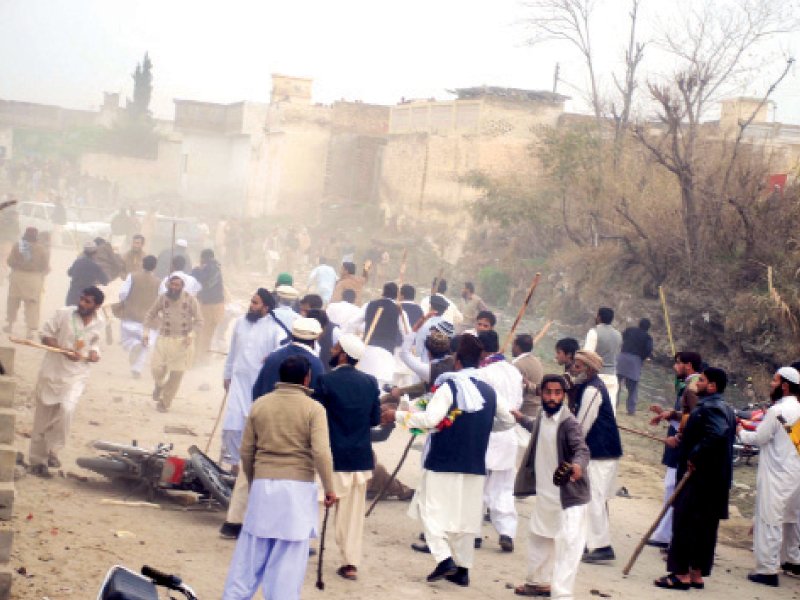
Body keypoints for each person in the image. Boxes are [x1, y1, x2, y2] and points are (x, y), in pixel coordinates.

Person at [382, 334, 516, 587]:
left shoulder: (449, 387)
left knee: (428, 509)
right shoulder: (488, 391)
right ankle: (463, 569)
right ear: (479, 361)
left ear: (456, 360)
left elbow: (430, 420)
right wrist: (482, 428)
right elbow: (508, 421)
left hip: (443, 461)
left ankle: (444, 559)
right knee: (465, 519)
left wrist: (398, 416)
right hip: (474, 464)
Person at [221, 356, 337, 600]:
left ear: (279, 376)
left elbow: (247, 451)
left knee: (249, 557)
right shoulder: (314, 409)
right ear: (306, 379)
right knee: (287, 563)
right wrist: (329, 488)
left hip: (263, 484)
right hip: (297, 489)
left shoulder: (260, 405)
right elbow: (321, 452)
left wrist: (255, 482)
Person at [221, 317, 325, 539]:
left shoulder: (274, 357)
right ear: (316, 339)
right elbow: (317, 399)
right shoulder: (315, 365)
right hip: (296, 428)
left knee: (249, 466)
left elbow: (257, 389)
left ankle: (233, 522)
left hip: (264, 417)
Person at [655, 367, 735, 590]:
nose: (696, 383)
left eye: (701, 380)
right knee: (705, 528)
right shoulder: (725, 408)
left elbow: (717, 433)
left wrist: (694, 455)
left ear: (712, 386)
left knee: (685, 524)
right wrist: (682, 438)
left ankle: (680, 575)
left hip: (700, 479)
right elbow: (710, 434)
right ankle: (696, 573)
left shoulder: (711, 407)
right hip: (715, 480)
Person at [512, 374, 591, 598]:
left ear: (564, 395)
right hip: (547, 494)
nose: (553, 397)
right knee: (539, 536)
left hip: (569, 498)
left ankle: (562, 595)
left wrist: (577, 466)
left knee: (568, 547)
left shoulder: (569, 423)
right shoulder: (542, 416)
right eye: (548, 392)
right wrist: (519, 418)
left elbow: (582, 449)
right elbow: (536, 426)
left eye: (557, 393)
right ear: (541, 394)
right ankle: (538, 583)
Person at [318, 334, 380, 581]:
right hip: (359, 459)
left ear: (343, 354)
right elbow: (374, 420)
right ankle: (350, 563)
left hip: (331, 456)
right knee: (353, 518)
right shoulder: (370, 382)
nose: (332, 351)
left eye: (335, 348)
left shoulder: (325, 380)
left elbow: (317, 418)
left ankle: (301, 550)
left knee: (317, 507)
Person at [28, 287, 105, 477]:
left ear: (96, 306)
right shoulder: (64, 314)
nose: (82, 304)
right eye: (82, 299)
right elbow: (45, 334)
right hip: (52, 372)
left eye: (88, 302)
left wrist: (94, 353)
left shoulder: (100, 322)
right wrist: (63, 350)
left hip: (77, 375)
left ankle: (53, 449)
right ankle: (38, 462)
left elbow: (95, 342)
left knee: (67, 409)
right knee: (42, 419)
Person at [738, 366, 800, 586]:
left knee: (769, 521)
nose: (771, 384)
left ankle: (766, 570)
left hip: (776, 474)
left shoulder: (777, 411)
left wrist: (740, 431)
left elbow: (759, 438)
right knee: (792, 520)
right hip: (795, 474)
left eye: (774, 381)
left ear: (785, 385)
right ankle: (792, 560)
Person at [220, 289, 286, 472]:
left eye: (255, 303)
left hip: (258, 386)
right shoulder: (240, 322)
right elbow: (232, 351)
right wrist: (227, 374)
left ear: (266, 307)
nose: (251, 305)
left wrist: (272, 357)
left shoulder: (275, 329)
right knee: (231, 425)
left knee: (251, 425)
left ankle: (249, 467)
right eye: (251, 301)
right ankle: (233, 465)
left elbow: (281, 352)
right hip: (237, 381)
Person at [571, 350, 623, 563]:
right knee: (591, 497)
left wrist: (573, 449)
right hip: (598, 451)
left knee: (594, 498)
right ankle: (590, 542)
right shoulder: (588, 386)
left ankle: (601, 546)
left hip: (602, 453)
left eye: (578, 366)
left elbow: (582, 424)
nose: (575, 369)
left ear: (589, 369)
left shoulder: (593, 389)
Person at [647, 351, 702, 548]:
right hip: (677, 440)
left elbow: (693, 418)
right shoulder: (688, 384)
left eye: (678, 364)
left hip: (681, 444)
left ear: (688, 365)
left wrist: (678, 436)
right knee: (671, 485)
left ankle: (667, 535)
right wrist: (666, 414)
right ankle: (665, 533)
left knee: (674, 487)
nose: (674, 367)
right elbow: (683, 414)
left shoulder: (694, 386)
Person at [475, 330, 523, 552]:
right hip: (509, 434)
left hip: (490, 432)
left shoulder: (483, 373)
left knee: (478, 484)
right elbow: (518, 403)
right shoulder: (514, 371)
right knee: (503, 488)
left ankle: (474, 531)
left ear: (481, 350)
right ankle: (506, 532)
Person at [143, 275, 203, 412]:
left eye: (177, 285)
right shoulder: (162, 298)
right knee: (156, 369)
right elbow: (150, 314)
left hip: (183, 342)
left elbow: (199, 321)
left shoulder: (191, 300)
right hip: (164, 339)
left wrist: (191, 334)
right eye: (172, 284)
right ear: (168, 285)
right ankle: (159, 385)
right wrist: (145, 332)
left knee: (176, 374)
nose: (174, 287)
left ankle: (165, 402)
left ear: (182, 286)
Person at [344, 282, 406, 386]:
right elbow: (406, 332)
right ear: (397, 295)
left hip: (366, 351)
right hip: (385, 354)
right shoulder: (399, 310)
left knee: (361, 385)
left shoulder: (369, 305)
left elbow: (351, 324)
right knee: (379, 389)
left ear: (383, 292)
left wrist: (350, 343)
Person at [117, 255, 160, 378]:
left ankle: (133, 345)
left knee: (126, 339)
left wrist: (125, 301)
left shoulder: (132, 276)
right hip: (148, 320)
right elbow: (161, 299)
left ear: (142, 264)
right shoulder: (158, 282)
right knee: (145, 344)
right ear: (155, 267)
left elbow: (123, 293)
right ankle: (137, 369)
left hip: (130, 315)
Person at [5, 227, 49, 339]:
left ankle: (10, 325)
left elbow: (10, 261)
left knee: (13, 302)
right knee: (32, 305)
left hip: (17, 276)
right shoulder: (41, 249)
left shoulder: (18, 245)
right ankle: (29, 331)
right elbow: (45, 266)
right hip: (34, 279)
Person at [583, 308, 622, 412]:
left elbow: (587, 356)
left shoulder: (594, 332)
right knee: (609, 411)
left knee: (590, 410)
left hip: (596, 377)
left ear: (599, 317)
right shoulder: (618, 335)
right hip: (612, 377)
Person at [191, 249, 225, 364]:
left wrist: (195, 270)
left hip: (209, 306)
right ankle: (204, 358)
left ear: (203, 258)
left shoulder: (209, 268)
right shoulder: (216, 268)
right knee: (209, 333)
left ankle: (199, 358)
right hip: (217, 306)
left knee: (202, 333)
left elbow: (202, 280)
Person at [616, 318, 653, 415]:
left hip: (622, 357)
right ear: (648, 328)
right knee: (633, 388)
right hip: (635, 361)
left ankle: (613, 404)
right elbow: (648, 350)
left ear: (638, 324)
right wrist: (642, 358)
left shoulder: (629, 330)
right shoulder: (648, 337)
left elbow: (621, 339)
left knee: (616, 384)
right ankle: (631, 410)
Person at [66, 241, 109, 306]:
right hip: (85, 299)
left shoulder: (78, 262)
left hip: (72, 296)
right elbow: (105, 281)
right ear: (95, 253)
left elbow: (69, 273)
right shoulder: (96, 267)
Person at [513, 334, 544, 418]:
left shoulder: (517, 364)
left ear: (517, 347)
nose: (512, 348)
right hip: (536, 411)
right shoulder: (538, 362)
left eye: (513, 345)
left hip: (523, 411)